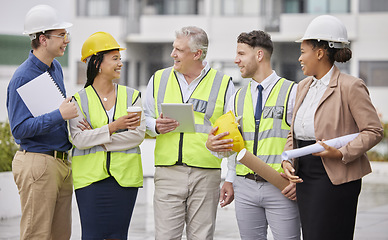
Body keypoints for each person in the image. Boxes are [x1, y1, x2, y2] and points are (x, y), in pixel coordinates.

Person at [282, 15, 384, 240]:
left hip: (335, 177)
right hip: (305, 175)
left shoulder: (351, 86)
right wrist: (287, 159)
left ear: (319, 53)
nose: (300, 58)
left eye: (303, 51)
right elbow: (294, 130)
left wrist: (340, 152)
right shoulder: (302, 87)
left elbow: (374, 130)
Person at [206, 30, 301, 239]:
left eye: (241, 54)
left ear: (259, 55)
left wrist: (299, 181)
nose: (236, 60)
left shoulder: (292, 92)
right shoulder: (237, 98)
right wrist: (226, 172)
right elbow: (232, 147)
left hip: (281, 187)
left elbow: (303, 141)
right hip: (245, 188)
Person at [143, 26, 235, 240]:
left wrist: (230, 178)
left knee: (202, 237)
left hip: (207, 175)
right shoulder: (159, 79)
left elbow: (231, 136)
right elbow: (143, 118)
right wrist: (155, 125)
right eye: (174, 48)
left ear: (197, 54)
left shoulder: (223, 84)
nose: (172, 54)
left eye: (179, 50)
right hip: (168, 173)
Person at [6, 4, 77, 240]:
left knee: (60, 236)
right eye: (62, 35)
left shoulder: (55, 67)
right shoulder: (22, 77)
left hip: (60, 163)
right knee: (36, 235)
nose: (66, 40)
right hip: (38, 163)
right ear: (43, 39)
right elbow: (19, 129)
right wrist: (60, 115)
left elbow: (56, 112)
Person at [68, 32, 145, 240]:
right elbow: (79, 139)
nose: (120, 63)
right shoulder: (78, 100)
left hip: (124, 180)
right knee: (91, 236)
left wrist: (98, 138)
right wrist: (113, 127)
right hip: (90, 182)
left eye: (120, 58)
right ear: (97, 63)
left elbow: (137, 135)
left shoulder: (132, 96)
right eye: (115, 58)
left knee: (118, 236)